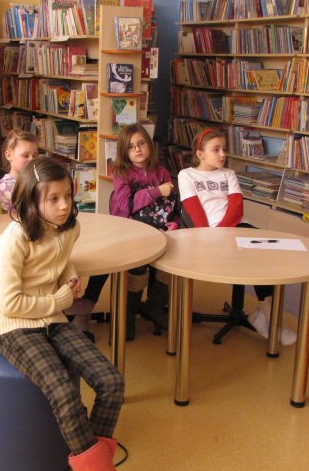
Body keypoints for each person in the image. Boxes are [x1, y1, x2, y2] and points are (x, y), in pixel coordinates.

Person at [0, 156, 144, 471]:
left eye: (68, 196)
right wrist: (57, 299)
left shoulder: (69, 228)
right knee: (63, 390)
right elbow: (8, 303)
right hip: (14, 325)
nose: (64, 206)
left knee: (111, 381)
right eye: (53, 199)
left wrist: (71, 277)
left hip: (52, 316)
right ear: (31, 200)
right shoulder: (12, 240)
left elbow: (61, 263)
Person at [178, 128, 297, 345]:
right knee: (253, 254)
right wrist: (212, 236)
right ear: (200, 154)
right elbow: (193, 210)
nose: (222, 154)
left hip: (235, 227)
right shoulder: (186, 175)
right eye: (216, 149)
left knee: (269, 250)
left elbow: (236, 208)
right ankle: (267, 317)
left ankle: (266, 312)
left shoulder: (229, 174)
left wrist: (223, 233)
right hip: (206, 233)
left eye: (224, 149)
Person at [70, 123, 178, 340]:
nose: (137, 149)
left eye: (141, 143)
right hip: (131, 232)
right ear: (124, 151)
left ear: (149, 145)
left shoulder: (162, 172)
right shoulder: (123, 173)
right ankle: (128, 315)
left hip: (160, 232)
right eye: (131, 146)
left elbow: (172, 206)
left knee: (172, 262)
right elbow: (125, 205)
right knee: (137, 268)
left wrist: (173, 223)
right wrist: (156, 191)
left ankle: (154, 305)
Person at [0, 129, 39, 214]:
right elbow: (28, 212)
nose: (31, 160)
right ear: (9, 155)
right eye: (25, 155)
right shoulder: (7, 186)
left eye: (35, 156)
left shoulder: (36, 178)